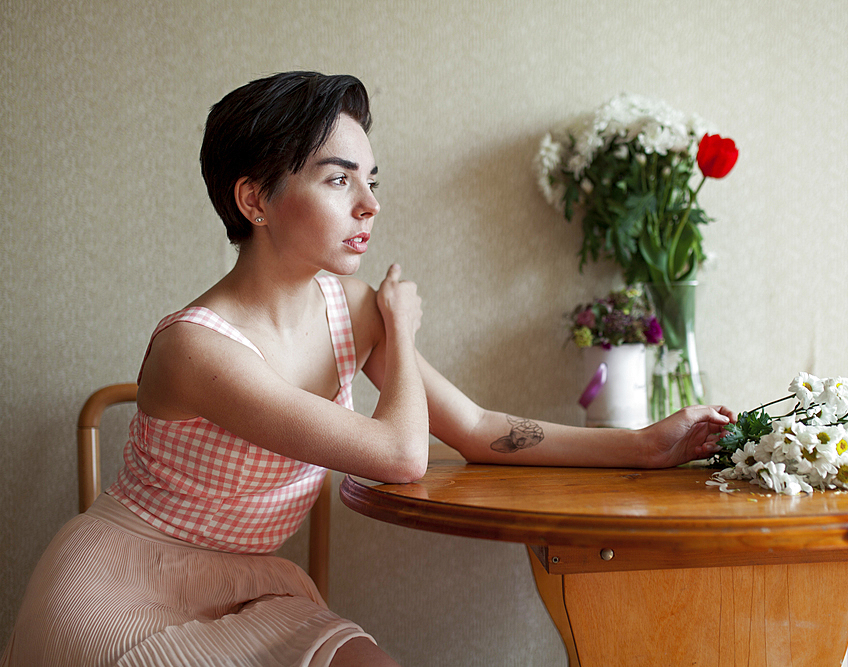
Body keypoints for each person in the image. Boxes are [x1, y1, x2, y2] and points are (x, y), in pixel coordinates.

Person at [2, 71, 735, 666]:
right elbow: (401, 452)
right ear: (255, 198)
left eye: (372, 179)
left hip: (249, 588)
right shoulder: (198, 347)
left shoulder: (347, 307)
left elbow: (477, 429)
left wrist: (645, 444)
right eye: (337, 180)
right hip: (120, 590)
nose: (370, 205)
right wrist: (403, 326)